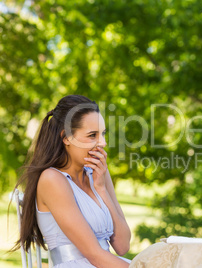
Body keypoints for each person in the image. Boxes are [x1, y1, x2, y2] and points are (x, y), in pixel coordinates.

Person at [12, 95, 131, 267]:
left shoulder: (99, 174)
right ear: (66, 137)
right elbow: (94, 255)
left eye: (103, 134)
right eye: (92, 135)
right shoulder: (52, 180)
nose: (102, 143)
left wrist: (101, 190)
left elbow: (122, 246)